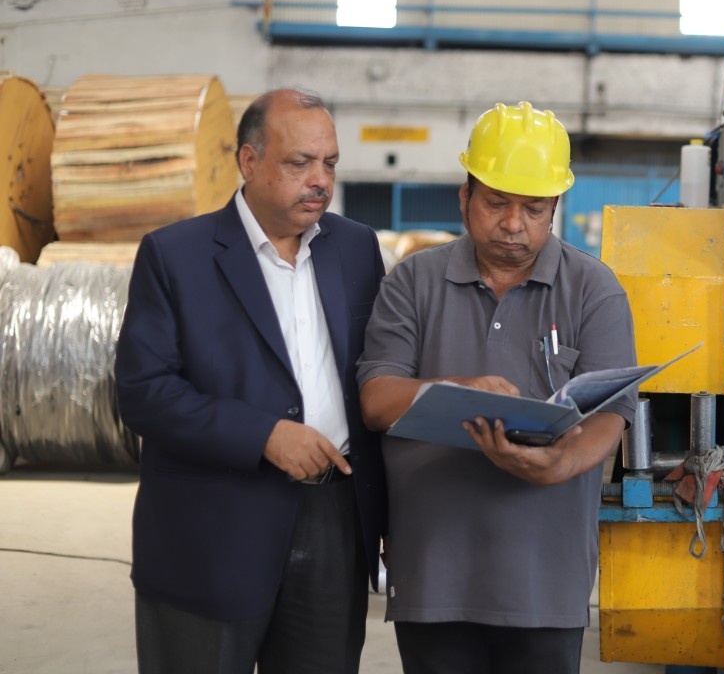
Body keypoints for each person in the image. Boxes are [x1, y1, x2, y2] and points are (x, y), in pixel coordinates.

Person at [358, 101, 637, 674]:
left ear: (554, 207)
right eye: (496, 202)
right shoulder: (413, 282)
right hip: (433, 574)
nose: (513, 223)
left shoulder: (594, 289)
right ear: (464, 197)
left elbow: (613, 412)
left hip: (546, 581)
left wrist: (558, 465)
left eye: (534, 208)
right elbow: (376, 400)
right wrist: (458, 388)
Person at [115, 88, 387, 674]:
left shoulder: (356, 248)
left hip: (333, 520)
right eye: (299, 163)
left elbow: (374, 371)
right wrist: (263, 435)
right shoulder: (175, 256)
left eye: (330, 163)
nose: (320, 180)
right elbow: (144, 392)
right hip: (213, 528)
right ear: (249, 160)